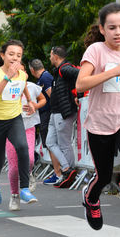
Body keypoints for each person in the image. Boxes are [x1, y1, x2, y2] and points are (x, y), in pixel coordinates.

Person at [76, 2, 120, 231]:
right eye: (112, 27)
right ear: (103, 29)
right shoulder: (96, 51)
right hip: (101, 123)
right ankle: (91, 198)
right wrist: (113, 71)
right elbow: (81, 83)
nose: (118, 32)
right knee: (103, 176)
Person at [0, 39, 36, 205]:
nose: (15, 58)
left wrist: (29, 100)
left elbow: (23, 85)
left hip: (14, 118)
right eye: (11, 54)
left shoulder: (23, 74)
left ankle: (24, 189)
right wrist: (8, 76)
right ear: (3, 55)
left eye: (19, 55)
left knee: (23, 147)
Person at [6, 63, 46, 211]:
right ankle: (15, 195)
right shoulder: (5, 86)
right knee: (14, 167)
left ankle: (28, 173)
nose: (20, 73)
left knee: (29, 159)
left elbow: (43, 100)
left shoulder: (32, 86)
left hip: (28, 127)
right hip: (9, 129)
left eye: (22, 71)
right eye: (16, 71)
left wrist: (35, 106)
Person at [45, 46, 79, 188]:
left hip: (63, 112)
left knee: (64, 143)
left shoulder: (64, 68)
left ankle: (69, 171)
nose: (50, 58)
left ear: (56, 56)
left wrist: (78, 94)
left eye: (51, 55)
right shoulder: (59, 71)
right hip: (55, 112)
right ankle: (67, 169)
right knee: (50, 142)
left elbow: (81, 74)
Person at [29, 59, 61, 185]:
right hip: (45, 114)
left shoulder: (45, 78)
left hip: (47, 114)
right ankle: (58, 172)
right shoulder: (44, 77)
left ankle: (58, 173)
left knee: (50, 143)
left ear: (32, 70)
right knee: (49, 144)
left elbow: (52, 95)